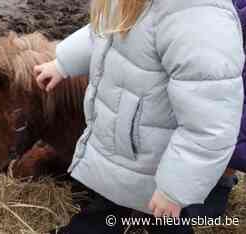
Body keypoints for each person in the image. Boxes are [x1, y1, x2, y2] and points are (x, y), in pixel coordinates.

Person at [34, 0, 245, 233]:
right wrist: (63, 63)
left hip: (161, 164)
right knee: (111, 202)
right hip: (127, 149)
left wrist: (175, 189)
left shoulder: (196, 19)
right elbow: (102, 33)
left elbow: (210, 126)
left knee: (163, 221)